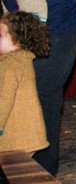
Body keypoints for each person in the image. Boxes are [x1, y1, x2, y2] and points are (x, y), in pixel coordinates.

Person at [0, 0, 76, 175]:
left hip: (57, 23)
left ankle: (40, 172)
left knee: (39, 93)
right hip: (19, 14)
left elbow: (34, 25)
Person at [0, 11, 50, 158]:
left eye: (1, 36)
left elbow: (4, 99)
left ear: (17, 41)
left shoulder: (10, 65)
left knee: (14, 173)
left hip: (17, 137)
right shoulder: (23, 60)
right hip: (28, 134)